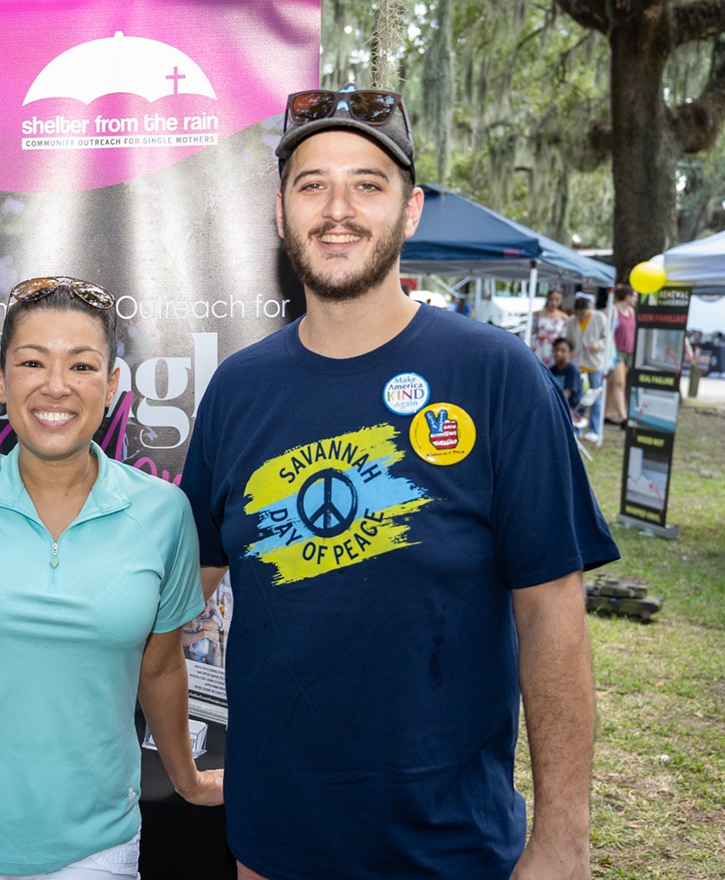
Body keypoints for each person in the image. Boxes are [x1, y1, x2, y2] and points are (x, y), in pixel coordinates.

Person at [179, 83, 620, 880]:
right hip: (275, 842)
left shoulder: (499, 378)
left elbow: (553, 615)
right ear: (280, 215)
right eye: (312, 185)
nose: (337, 208)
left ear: (410, 211)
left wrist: (564, 838)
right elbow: (180, 592)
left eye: (367, 185)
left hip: (449, 845)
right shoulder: (237, 392)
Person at [0, 276, 223, 879]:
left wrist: (186, 778)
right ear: (1, 379)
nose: (55, 385)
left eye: (82, 365)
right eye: (31, 362)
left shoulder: (164, 514)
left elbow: (161, 664)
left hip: (93, 849)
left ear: (111, 385)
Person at [565, 291, 609, 391]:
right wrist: (569, 350)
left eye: (583, 313)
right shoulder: (572, 320)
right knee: (577, 392)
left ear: (589, 309)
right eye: (578, 313)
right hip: (577, 362)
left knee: (595, 392)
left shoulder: (599, 317)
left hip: (594, 362)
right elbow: (568, 340)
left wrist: (597, 345)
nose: (581, 316)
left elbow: (607, 338)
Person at [606, 284, 636, 426]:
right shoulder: (612, 310)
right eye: (634, 295)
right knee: (620, 383)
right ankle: (624, 417)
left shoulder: (631, 311)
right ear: (628, 296)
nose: (636, 299)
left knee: (613, 385)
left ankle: (606, 414)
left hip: (628, 351)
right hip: (616, 351)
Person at [550, 337, 585, 425]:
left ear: (570, 354)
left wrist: (551, 403)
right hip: (556, 404)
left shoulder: (572, 370)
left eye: (563, 351)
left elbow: (567, 394)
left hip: (571, 408)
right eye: (556, 350)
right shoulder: (551, 370)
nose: (558, 353)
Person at [531, 288, 569, 367]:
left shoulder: (564, 317)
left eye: (557, 300)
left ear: (560, 301)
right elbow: (530, 332)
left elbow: (564, 337)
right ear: (547, 299)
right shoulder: (537, 314)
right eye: (551, 299)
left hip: (554, 350)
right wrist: (537, 336)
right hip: (539, 348)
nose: (553, 302)